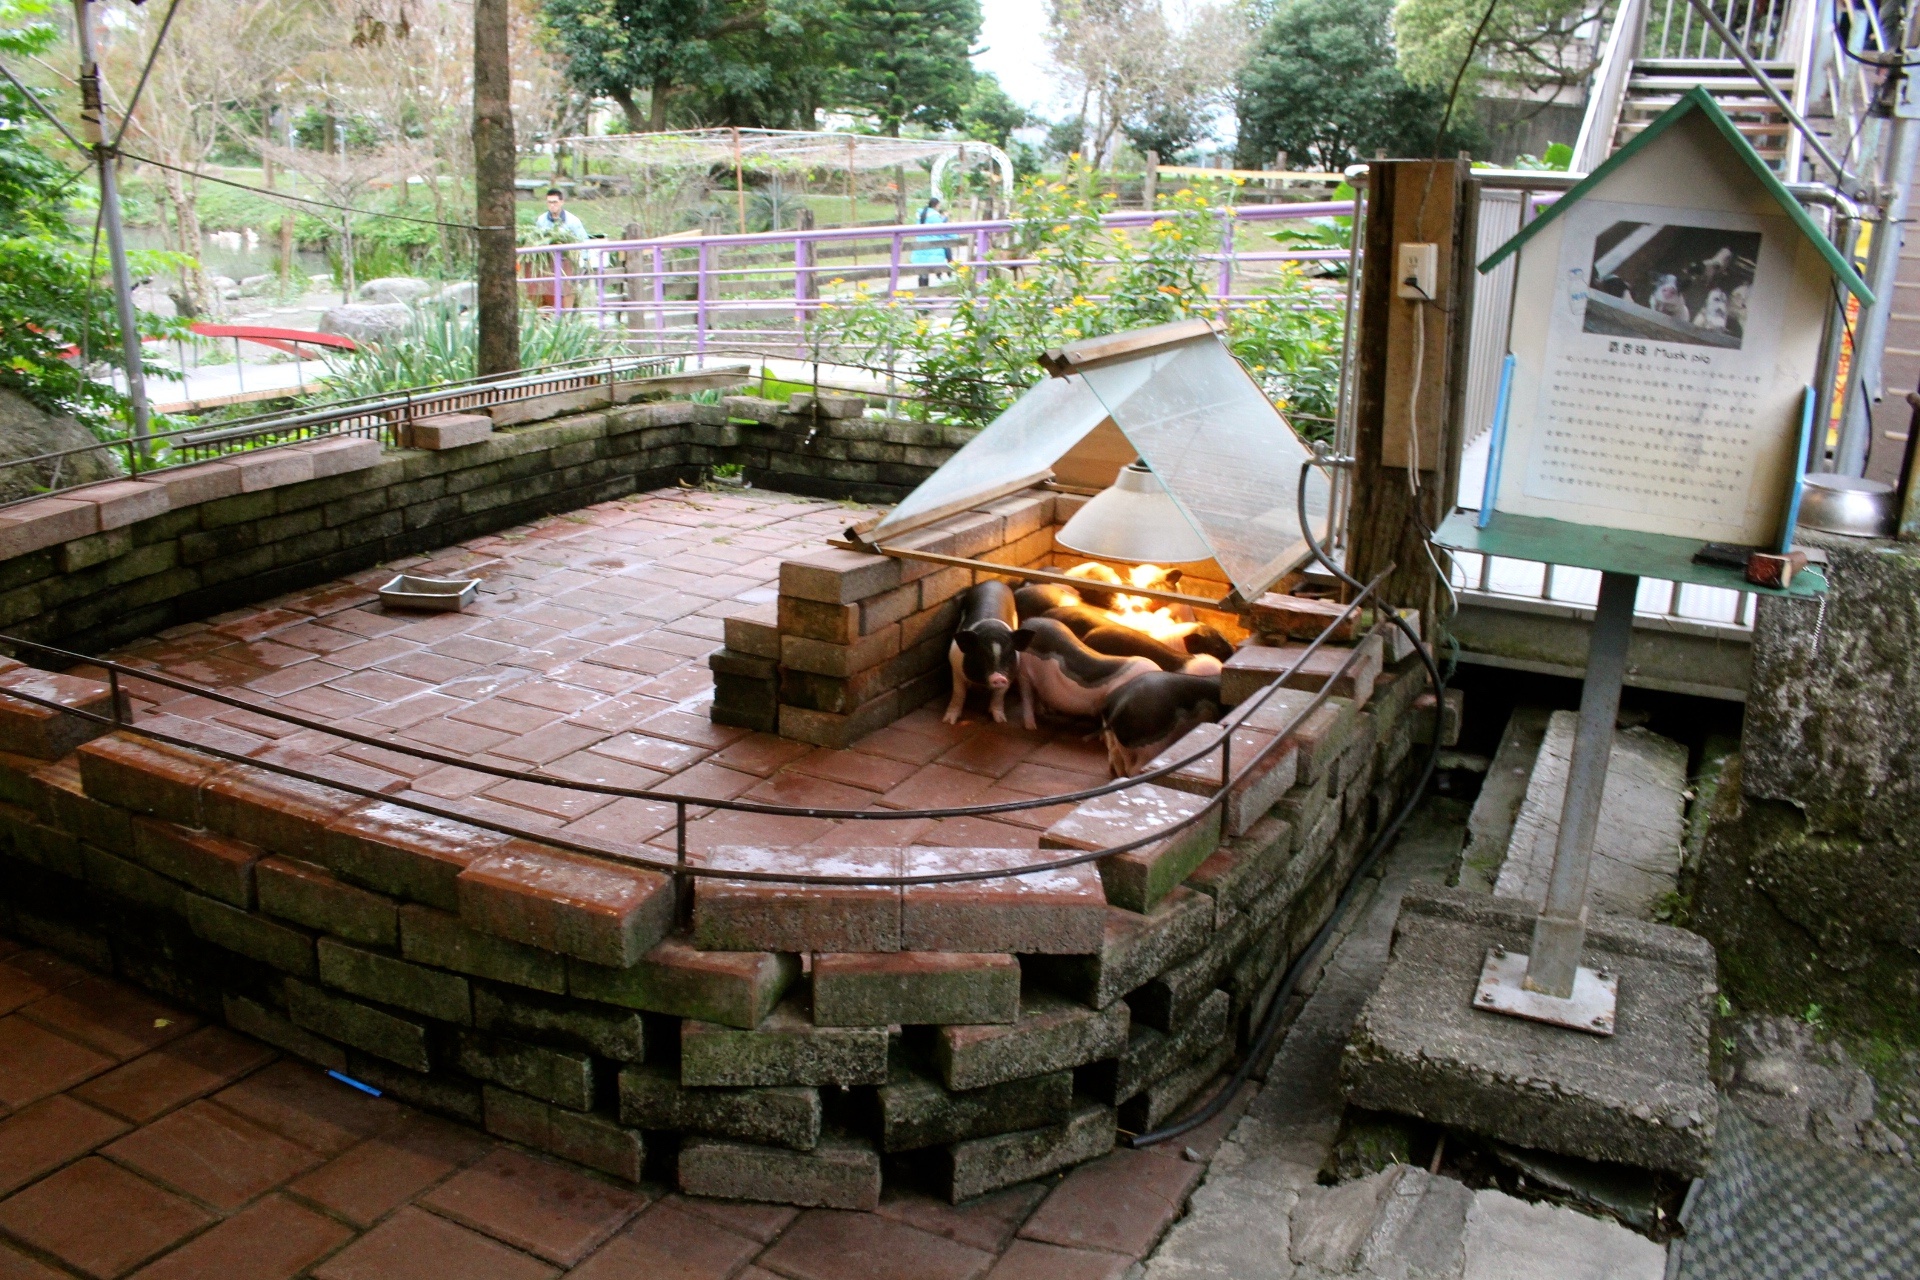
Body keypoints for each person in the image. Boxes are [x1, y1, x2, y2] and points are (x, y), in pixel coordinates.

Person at [911, 196, 951, 288]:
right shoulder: (934, 215)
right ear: (936, 205)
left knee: (922, 272)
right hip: (931, 244)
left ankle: (922, 292)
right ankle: (946, 277)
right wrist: (945, 218)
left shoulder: (921, 214)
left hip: (920, 244)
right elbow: (940, 227)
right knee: (936, 265)